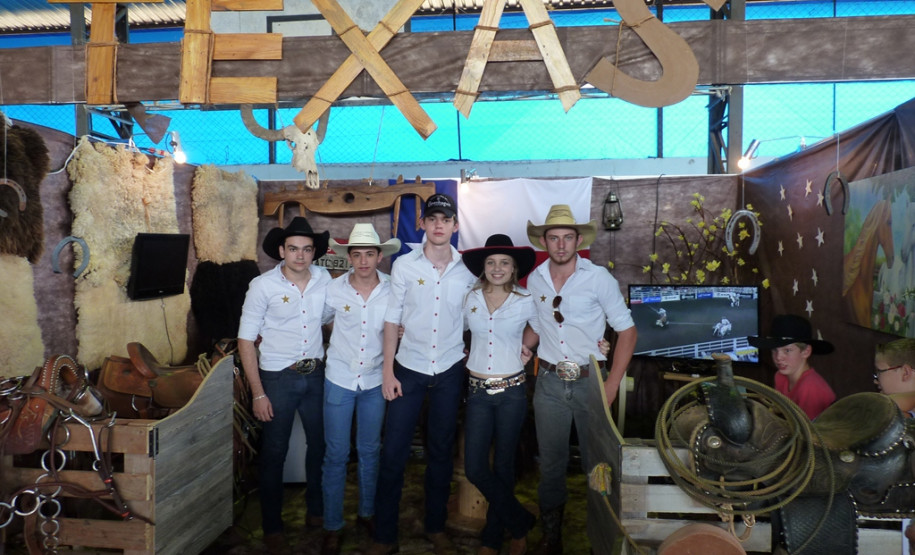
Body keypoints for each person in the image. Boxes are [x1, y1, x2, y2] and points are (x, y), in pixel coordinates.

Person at [367, 193, 477, 555]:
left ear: (455, 226)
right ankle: (384, 534)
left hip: (448, 369)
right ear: (423, 224)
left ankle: (435, 526)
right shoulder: (404, 266)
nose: (439, 225)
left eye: (446, 219)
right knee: (394, 452)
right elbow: (391, 319)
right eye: (433, 219)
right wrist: (387, 371)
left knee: (441, 453)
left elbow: (476, 318)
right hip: (408, 370)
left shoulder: (469, 270)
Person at [524, 204, 637, 554]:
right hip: (549, 383)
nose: (560, 245)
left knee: (597, 465)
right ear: (544, 241)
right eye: (554, 238)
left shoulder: (598, 277)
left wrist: (612, 383)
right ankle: (552, 537)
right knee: (551, 463)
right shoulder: (535, 278)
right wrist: (519, 349)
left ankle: (600, 539)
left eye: (567, 238)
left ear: (577, 240)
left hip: (591, 381)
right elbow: (537, 325)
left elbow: (628, 332)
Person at [237, 216, 331, 553]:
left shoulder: (324, 279)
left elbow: (338, 318)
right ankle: (272, 526)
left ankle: (317, 511)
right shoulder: (262, 286)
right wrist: (258, 392)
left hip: (317, 374)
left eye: (307, 249)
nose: (300, 256)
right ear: (281, 250)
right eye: (293, 249)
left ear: (314, 253)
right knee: (274, 451)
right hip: (278, 376)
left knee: (320, 447)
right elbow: (245, 341)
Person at [319, 223, 401, 555]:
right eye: (357, 255)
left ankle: (367, 513)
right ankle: (332, 525)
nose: (364, 261)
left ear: (380, 256)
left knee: (370, 451)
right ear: (348, 258)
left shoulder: (395, 288)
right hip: (339, 377)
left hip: (374, 381)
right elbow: (321, 321)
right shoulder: (334, 289)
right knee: (335, 454)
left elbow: (399, 327)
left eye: (370, 254)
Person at [460, 234, 539, 555]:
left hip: (512, 392)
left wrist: (527, 347)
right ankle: (520, 521)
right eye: (491, 262)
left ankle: (493, 536)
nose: (497, 268)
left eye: (504, 262)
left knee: (504, 465)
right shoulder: (470, 298)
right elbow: (451, 328)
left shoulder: (526, 299)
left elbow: (539, 327)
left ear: (513, 267)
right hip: (478, 392)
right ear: (483, 267)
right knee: (475, 468)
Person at [747, 313, 836, 420]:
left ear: (806, 351)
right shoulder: (780, 377)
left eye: (787, 350)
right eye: (774, 350)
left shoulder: (810, 389)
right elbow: (778, 410)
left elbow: (809, 433)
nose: (779, 357)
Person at [873, 338, 915, 417]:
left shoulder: (892, 412)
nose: (875, 381)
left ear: (906, 373)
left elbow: (885, 406)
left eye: (879, 371)